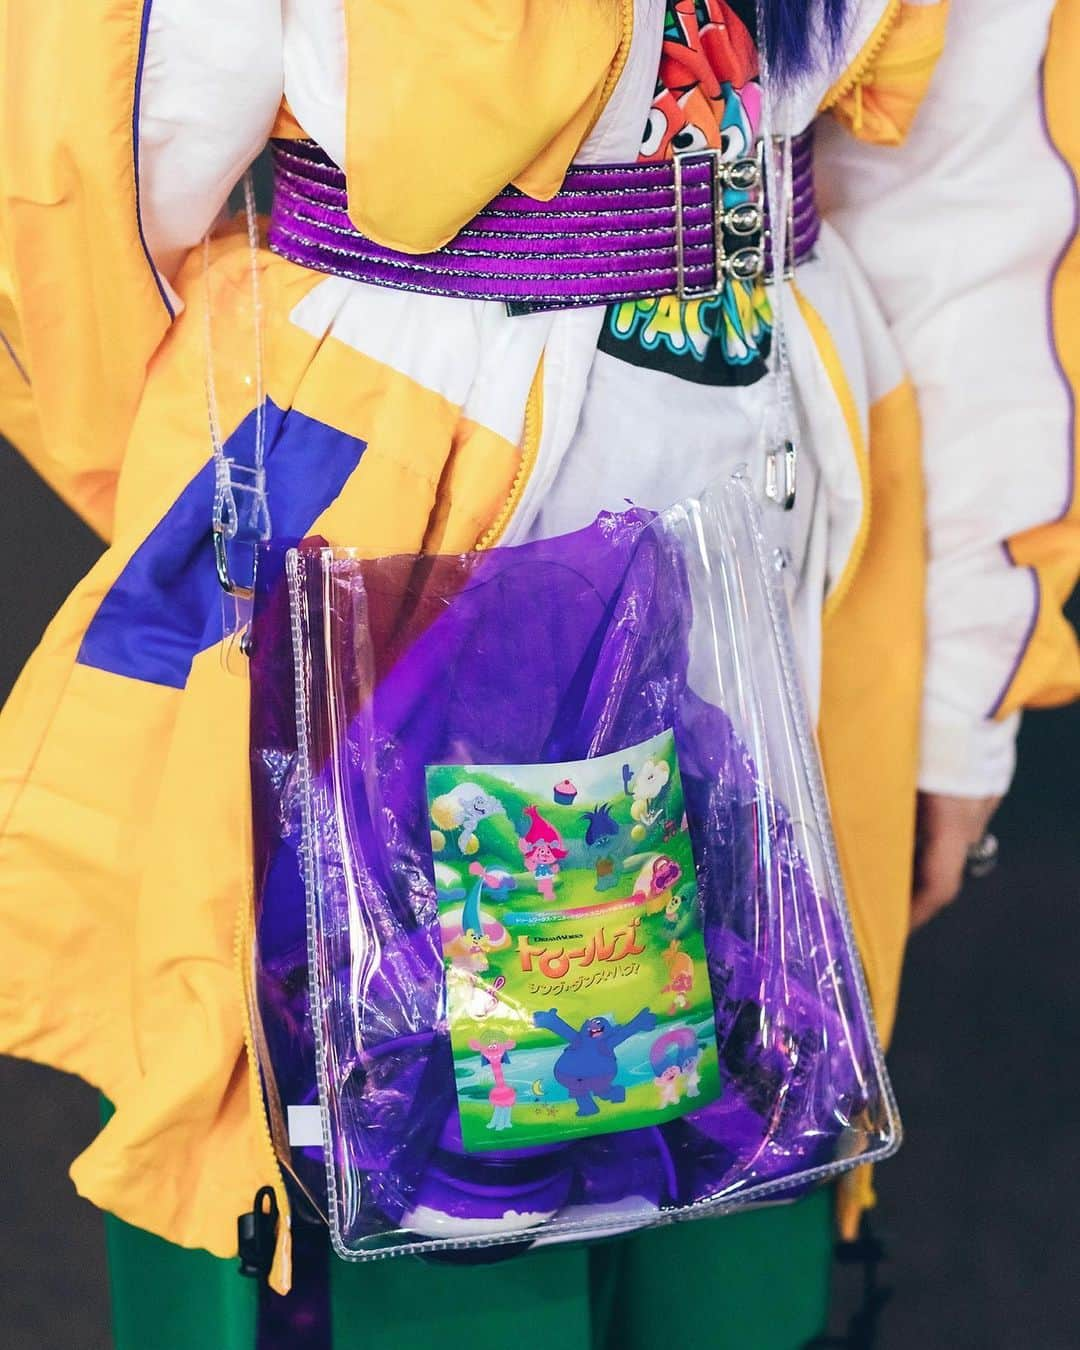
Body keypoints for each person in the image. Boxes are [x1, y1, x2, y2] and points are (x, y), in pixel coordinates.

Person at [0, 2, 1077, 1347]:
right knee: (406, 1193)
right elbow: (92, 162)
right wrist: (236, 475)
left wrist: (960, 683)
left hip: (781, 528)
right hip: (420, 528)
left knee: (734, 1178)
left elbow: (977, 182)